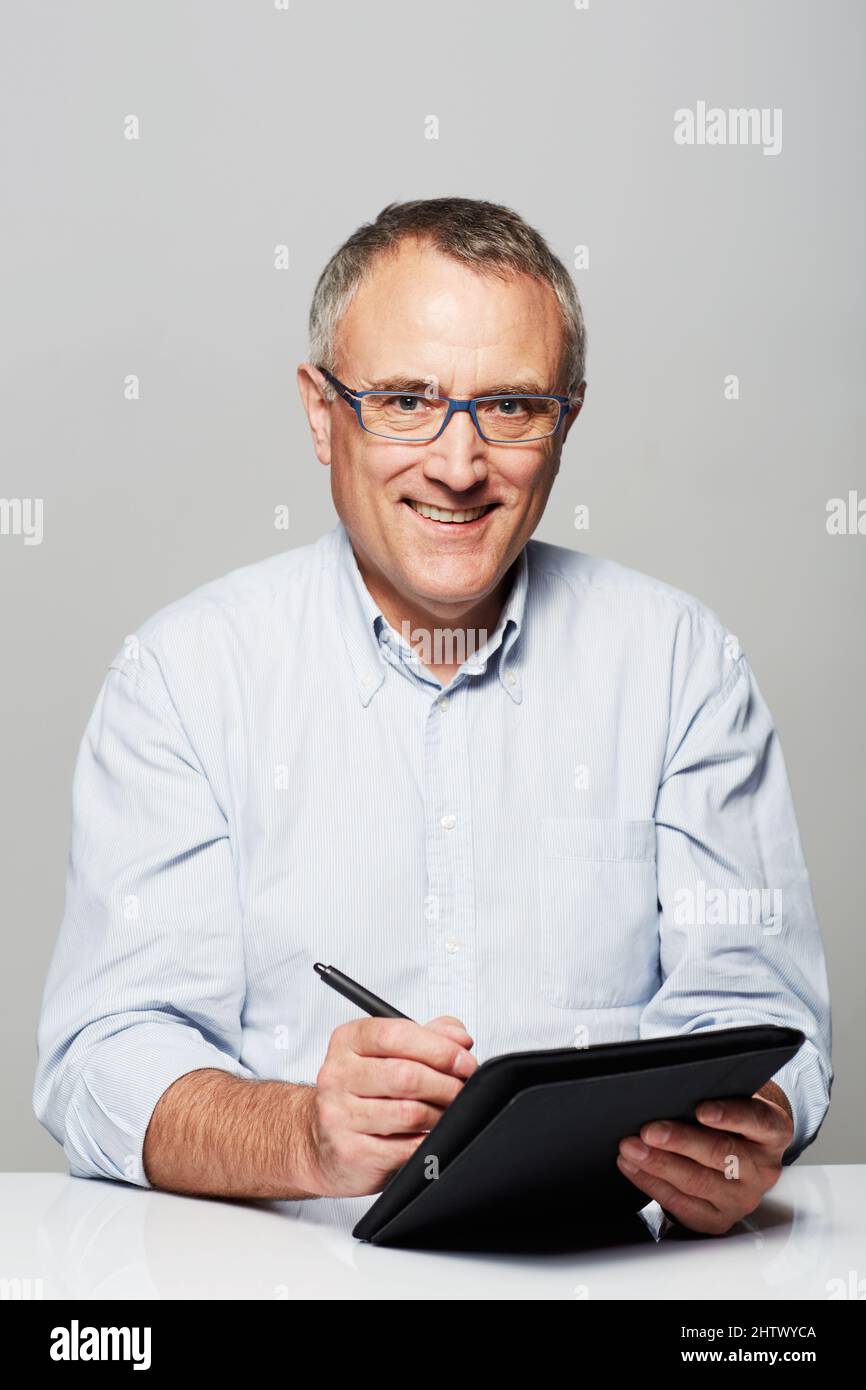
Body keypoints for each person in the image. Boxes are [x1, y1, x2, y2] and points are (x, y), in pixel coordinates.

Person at [33, 197, 832, 1236]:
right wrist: (301, 1135)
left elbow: (760, 1017)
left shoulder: (680, 665)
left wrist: (745, 1129)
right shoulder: (185, 676)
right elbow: (100, 1057)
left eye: (507, 407)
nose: (457, 466)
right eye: (405, 400)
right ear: (321, 413)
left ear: (565, 422)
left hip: (620, 1283)